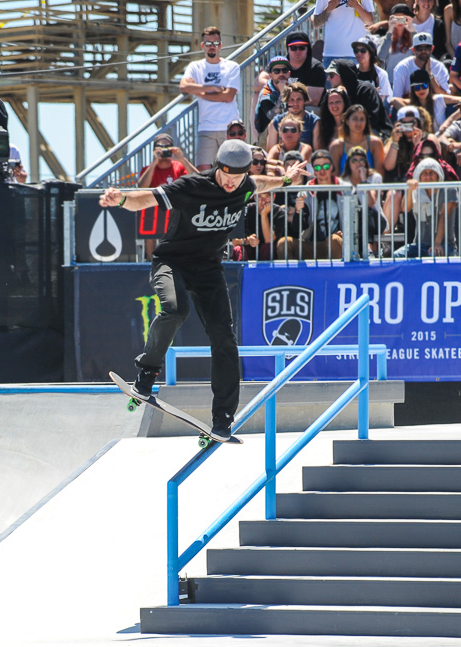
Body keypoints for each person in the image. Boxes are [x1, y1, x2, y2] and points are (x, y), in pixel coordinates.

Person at [97, 139, 309, 440]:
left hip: (208, 269)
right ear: (217, 167)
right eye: (226, 177)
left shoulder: (245, 185)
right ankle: (147, 372)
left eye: (238, 178)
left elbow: (262, 183)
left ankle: (223, 417)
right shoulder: (192, 186)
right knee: (176, 309)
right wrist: (121, 199)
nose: (231, 184)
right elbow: (146, 199)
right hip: (171, 262)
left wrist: (287, 179)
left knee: (224, 338)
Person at [180, 26, 242, 170]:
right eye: (208, 43)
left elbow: (228, 96)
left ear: (220, 45)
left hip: (229, 127)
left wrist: (198, 92)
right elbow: (184, 86)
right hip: (206, 127)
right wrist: (212, 88)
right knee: (203, 171)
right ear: (203, 46)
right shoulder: (195, 66)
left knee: (232, 169)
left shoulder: (232, 66)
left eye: (215, 43)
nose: (212, 47)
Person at [395, 157, 458, 256]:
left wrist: (437, 243)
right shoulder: (416, 191)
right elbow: (405, 208)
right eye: (424, 173)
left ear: (438, 175)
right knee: (397, 256)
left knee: (432, 256)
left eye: (431, 173)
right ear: (419, 176)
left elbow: (444, 216)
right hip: (420, 245)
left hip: (444, 244)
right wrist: (409, 189)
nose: (428, 176)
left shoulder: (449, 189)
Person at [295, 149, 347, 259]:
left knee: (333, 239)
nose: (322, 170)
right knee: (284, 244)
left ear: (332, 167)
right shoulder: (305, 191)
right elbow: (297, 228)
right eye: (317, 167)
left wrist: (345, 233)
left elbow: (355, 221)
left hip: (339, 243)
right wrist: (298, 211)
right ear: (313, 170)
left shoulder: (345, 189)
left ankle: (336, 271)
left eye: (326, 166)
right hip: (312, 244)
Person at [327, 58, 391, 135]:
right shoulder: (334, 94)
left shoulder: (366, 90)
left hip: (373, 131)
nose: (328, 79)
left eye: (331, 75)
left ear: (343, 75)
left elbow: (372, 119)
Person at [391, 31, 451, 106]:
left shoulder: (439, 67)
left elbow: (446, 96)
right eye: (419, 48)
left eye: (427, 48)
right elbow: (397, 98)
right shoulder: (402, 67)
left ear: (432, 49)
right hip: (410, 106)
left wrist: (430, 75)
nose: (423, 51)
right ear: (413, 50)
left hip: (434, 106)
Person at [313, 0, 377, 68]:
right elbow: (316, 23)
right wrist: (328, 9)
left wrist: (357, 6)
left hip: (356, 54)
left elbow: (369, 21)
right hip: (331, 54)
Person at [329, 103, 386, 175]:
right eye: (355, 119)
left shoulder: (375, 143)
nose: (358, 123)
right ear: (347, 121)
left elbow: (379, 174)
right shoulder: (336, 146)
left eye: (362, 119)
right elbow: (334, 176)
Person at [267, 82, 318, 150]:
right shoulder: (276, 122)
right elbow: (270, 151)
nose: (295, 103)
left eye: (299, 99)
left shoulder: (314, 122)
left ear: (304, 100)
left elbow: (318, 151)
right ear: (287, 101)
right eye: (291, 100)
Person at [255, 55, 293, 139]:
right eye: (276, 71)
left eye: (284, 70)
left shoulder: (294, 87)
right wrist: (283, 93)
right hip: (267, 134)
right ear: (271, 75)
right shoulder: (266, 92)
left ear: (289, 73)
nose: (281, 74)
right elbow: (272, 117)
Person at [379, 5, 417, 78]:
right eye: (396, 19)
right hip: (391, 81)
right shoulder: (385, 39)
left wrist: (413, 31)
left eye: (403, 19)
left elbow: (423, 54)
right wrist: (390, 32)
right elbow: (380, 58)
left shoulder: (414, 38)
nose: (399, 22)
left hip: (409, 81)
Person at [351, 35, 393, 102]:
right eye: (356, 50)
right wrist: (372, 92)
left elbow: (382, 101)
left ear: (371, 53)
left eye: (363, 50)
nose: (359, 53)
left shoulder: (381, 74)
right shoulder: (351, 72)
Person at [314, 86, 351, 152]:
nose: (334, 105)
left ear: (344, 103)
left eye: (338, 102)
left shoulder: (352, 125)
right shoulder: (323, 127)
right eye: (331, 103)